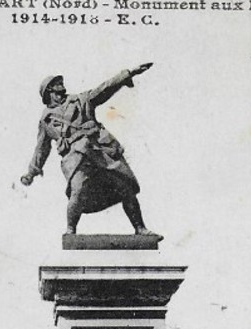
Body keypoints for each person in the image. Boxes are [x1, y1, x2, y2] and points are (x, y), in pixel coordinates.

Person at [21, 64, 158, 235]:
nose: (62, 83)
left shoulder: (80, 99)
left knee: (125, 187)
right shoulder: (46, 120)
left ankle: (140, 228)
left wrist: (127, 75)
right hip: (75, 157)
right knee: (77, 191)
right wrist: (31, 172)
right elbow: (41, 148)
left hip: (100, 149)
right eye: (57, 82)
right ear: (49, 89)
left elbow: (104, 89)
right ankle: (70, 231)